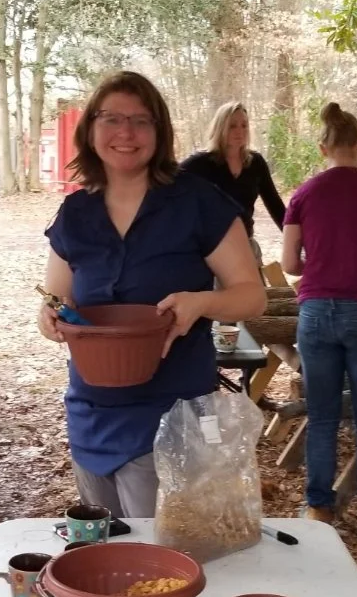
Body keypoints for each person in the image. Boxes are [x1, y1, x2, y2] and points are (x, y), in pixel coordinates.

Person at [38, 72, 266, 517]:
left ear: (160, 133)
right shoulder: (76, 212)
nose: (126, 133)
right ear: (90, 130)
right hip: (91, 412)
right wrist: (49, 318)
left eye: (141, 121)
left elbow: (252, 296)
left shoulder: (198, 202)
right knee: (106, 551)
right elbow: (55, 301)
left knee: (162, 563)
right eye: (112, 119)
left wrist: (202, 303)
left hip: (172, 415)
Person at [280, 103, 357, 540]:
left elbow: (290, 265)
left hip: (316, 312)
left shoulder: (304, 194)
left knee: (322, 416)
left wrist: (325, 258)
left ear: (323, 147)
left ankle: (319, 509)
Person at [180, 102, 286, 239]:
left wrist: (297, 242)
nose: (239, 131)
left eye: (244, 125)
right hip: (210, 248)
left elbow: (275, 205)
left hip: (246, 243)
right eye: (232, 126)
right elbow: (170, 182)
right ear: (220, 128)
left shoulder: (256, 162)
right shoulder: (200, 163)